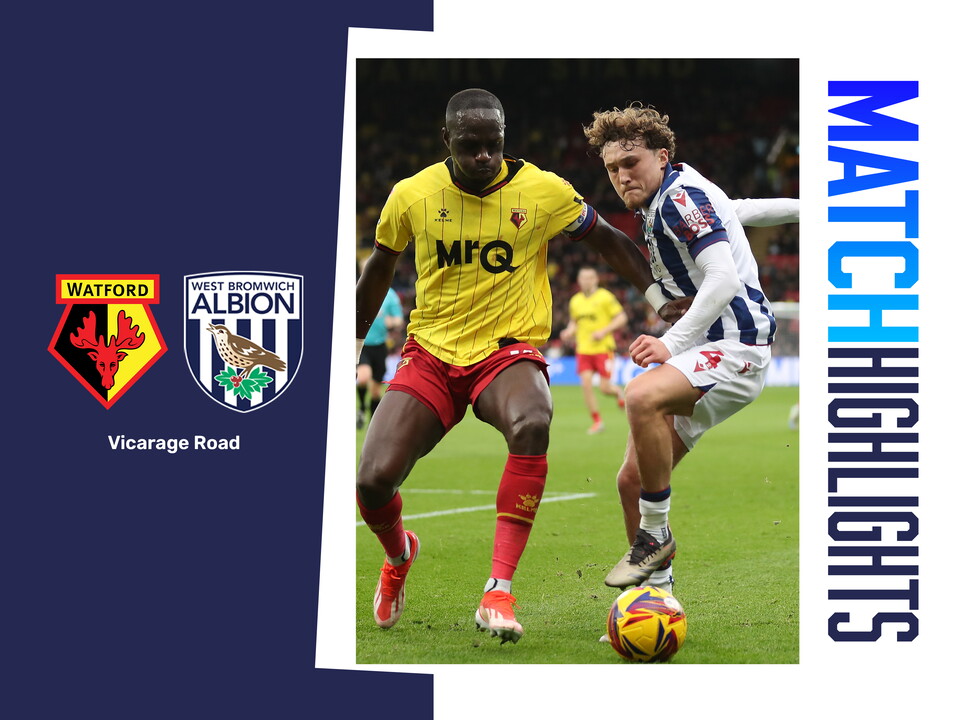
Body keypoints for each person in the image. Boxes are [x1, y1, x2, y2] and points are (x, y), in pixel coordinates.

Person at [355, 89, 684, 644]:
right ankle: (398, 557)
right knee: (371, 481)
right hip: (432, 351)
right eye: (470, 147)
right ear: (447, 142)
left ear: (504, 140)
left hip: (507, 350)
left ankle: (498, 590)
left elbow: (606, 239)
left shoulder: (543, 190)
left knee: (532, 421)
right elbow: (379, 271)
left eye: (494, 145)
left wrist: (657, 297)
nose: (484, 156)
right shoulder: (410, 196)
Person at [581, 103, 799, 592]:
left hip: (735, 345)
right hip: (709, 351)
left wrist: (669, 341)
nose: (621, 176)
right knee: (631, 482)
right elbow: (743, 211)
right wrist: (814, 210)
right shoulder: (680, 194)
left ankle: (655, 534)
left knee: (641, 396)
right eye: (612, 168)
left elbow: (721, 280)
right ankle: (656, 599)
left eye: (630, 163)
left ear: (661, 156)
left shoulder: (679, 198)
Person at [559, 266, 627, 434]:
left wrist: (603, 331)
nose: (586, 281)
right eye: (583, 278)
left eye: (589, 278)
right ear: (579, 280)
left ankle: (618, 392)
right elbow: (575, 322)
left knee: (604, 388)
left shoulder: (605, 297)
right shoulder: (575, 301)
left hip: (603, 348)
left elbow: (621, 317)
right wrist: (568, 331)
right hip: (583, 349)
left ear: (596, 279)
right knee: (586, 385)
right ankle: (597, 421)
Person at [356, 259, 404, 429]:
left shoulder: (389, 295)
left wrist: (391, 322)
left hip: (379, 345)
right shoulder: (358, 292)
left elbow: (398, 319)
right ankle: (361, 408)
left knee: (376, 391)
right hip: (361, 344)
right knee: (363, 378)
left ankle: (371, 422)